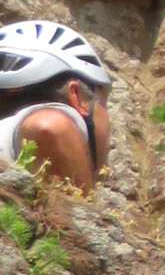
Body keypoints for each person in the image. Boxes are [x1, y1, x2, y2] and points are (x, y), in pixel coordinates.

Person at [0, 20, 112, 192]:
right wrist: (83, 199)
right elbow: (49, 127)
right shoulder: (53, 123)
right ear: (76, 96)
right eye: (102, 103)